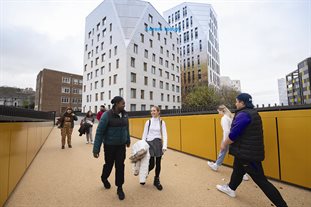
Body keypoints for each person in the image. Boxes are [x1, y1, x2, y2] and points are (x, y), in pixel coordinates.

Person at [216, 93, 287, 207]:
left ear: (242, 103)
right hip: (245, 151)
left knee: (261, 181)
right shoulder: (253, 113)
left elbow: (233, 134)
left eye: (237, 101)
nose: (236, 103)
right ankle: (230, 188)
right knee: (238, 170)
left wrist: (224, 144)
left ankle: (282, 205)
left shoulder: (244, 115)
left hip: (247, 154)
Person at [93, 96, 130, 200]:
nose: (124, 105)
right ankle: (104, 178)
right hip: (109, 146)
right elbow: (99, 132)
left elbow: (127, 128)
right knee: (109, 164)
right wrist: (96, 149)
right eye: (122, 103)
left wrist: (127, 140)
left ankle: (120, 187)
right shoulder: (106, 115)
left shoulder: (125, 114)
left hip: (121, 146)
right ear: (117, 104)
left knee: (120, 166)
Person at [207, 105, 249, 181]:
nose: (218, 113)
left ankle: (243, 174)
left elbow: (226, 131)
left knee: (230, 153)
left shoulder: (224, 118)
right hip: (234, 137)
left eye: (218, 111)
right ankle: (216, 165)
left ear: (221, 111)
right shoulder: (230, 117)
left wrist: (224, 142)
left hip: (228, 137)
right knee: (227, 152)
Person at [141, 106, 168, 190]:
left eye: (154, 111)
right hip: (150, 143)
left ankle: (156, 180)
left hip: (158, 143)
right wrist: (142, 145)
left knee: (158, 163)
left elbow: (165, 134)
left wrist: (165, 146)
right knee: (152, 163)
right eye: (151, 111)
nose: (152, 112)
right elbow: (144, 134)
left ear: (158, 112)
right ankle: (144, 174)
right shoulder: (148, 122)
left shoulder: (162, 122)